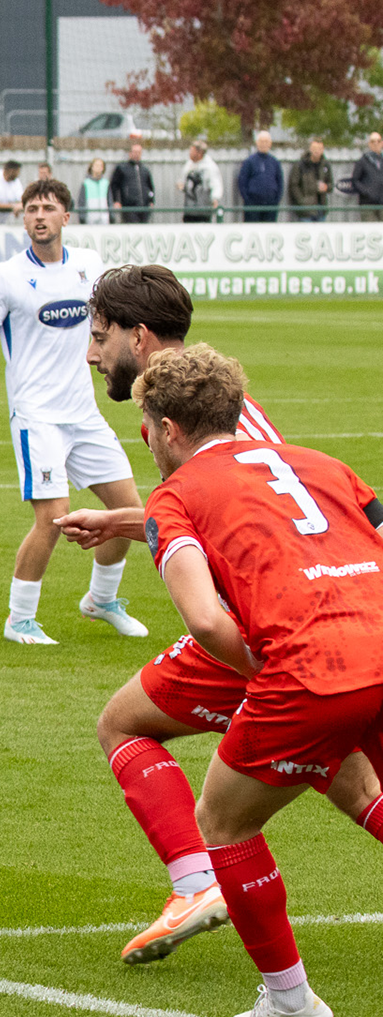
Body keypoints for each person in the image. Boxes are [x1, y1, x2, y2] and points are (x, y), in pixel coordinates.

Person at [56, 265, 380, 967]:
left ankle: (201, 886)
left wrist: (267, 661)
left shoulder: (200, 418)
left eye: (100, 336)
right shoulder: (212, 401)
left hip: (267, 624)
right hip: (329, 620)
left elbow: (254, 515)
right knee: (347, 772)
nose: (91, 354)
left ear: (139, 337)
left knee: (125, 725)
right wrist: (124, 521)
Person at [132, 344, 383, 1017]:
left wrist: (263, 671)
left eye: (146, 428)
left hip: (311, 666)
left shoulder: (175, 496)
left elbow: (206, 621)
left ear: (168, 429)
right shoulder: (322, 464)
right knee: (368, 793)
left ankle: (290, 1003)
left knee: (223, 822)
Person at [0, 178, 145, 646]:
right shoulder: (6, 276)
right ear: (23, 218)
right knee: (53, 516)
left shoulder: (89, 266)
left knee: (130, 511)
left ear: (66, 217)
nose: (39, 216)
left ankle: (101, 601)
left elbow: (111, 325)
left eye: (47, 208)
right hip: (36, 416)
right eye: (31, 209)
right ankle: (19, 619)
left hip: (83, 414)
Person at [236, 130, 283, 222]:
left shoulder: (274, 162)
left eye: (266, 142)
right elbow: (242, 182)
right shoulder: (249, 162)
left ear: (270, 144)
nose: (264, 144)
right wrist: (248, 200)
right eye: (261, 141)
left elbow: (280, 182)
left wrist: (276, 200)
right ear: (257, 143)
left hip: (271, 205)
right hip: (253, 206)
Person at [287, 138, 334, 222]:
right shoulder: (300, 165)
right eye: (314, 148)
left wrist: (326, 187)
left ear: (323, 150)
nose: (317, 151)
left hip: (321, 208)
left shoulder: (326, 165)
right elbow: (293, 186)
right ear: (310, 149)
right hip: (305, 210)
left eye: (319, 148)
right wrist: (302, 202)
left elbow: (331, 185)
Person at [179, 138, 222, 224]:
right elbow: (182, 180)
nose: (190, 153)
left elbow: (216, 184)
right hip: (189, 209)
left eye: (192, 151)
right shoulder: (189, 165)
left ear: (199, 153)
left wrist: (215, 199)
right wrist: (181, 185)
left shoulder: (209, 167)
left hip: (203, 210)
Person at [108, 142, 154, 224]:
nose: (137, 154)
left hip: (144, 207)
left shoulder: (145, 170)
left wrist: (151, 201)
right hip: (129, 207)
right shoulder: (122, 168)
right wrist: (116, 200)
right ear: (130, 153)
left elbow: (150, 187)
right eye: (135, 152)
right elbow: (114, 185)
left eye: (139, 152)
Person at [348, 130, 383, 222]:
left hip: (382, 203)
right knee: (370, 228)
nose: (376, 144)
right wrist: (366, 192)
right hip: (368, 204)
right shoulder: (363, 161)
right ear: (369, 144)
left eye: (378, 141)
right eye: (373, 141)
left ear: (382, 143)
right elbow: (355, 180)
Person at [78, 158, 111, 225]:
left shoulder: (106, 183)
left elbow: (109, 200)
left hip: (104, 217)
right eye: (96, 165)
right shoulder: (86, 183)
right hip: (90, 217)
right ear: (91, 167)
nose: (98, 168)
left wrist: (112, 215)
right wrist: (82, 217)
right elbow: (81, 201)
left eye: (101, 166)